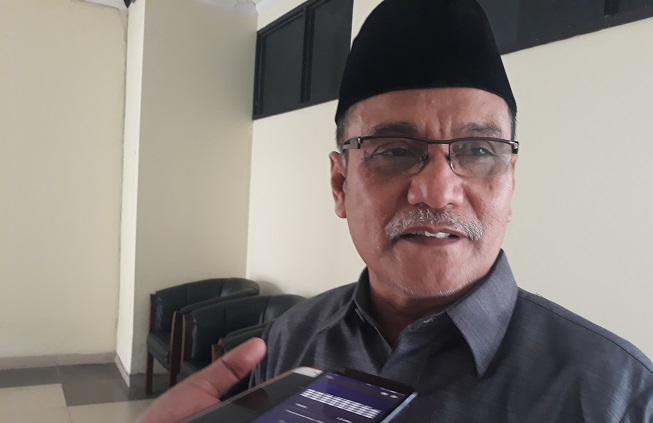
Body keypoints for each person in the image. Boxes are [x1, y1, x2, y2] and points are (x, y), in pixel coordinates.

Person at [141, 0, 653, 421]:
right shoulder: (292, 339)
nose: (437, 191)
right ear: (340, 185)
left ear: (510, 182)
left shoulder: (615, 395)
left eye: (478, 150)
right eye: (393, 151)